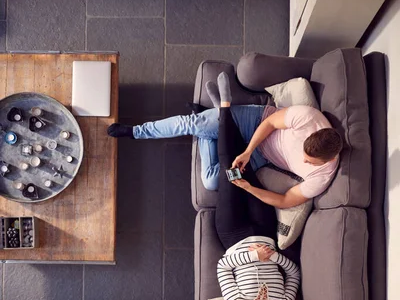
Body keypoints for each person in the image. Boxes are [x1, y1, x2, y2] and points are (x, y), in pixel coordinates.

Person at [107, 73, 343, 209]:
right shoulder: (309, 118)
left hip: (263, 158)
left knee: (211, 181)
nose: (303, 161)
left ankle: (217, 116)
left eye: (309, 162)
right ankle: (136, 131)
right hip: (256, 122)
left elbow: (285, 200)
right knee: (192, 124)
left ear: (330, 159)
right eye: (305, 154)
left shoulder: (322, 177)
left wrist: (251, 187)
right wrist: (248, 150)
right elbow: (270, 124)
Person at [212, 78, 300, 300]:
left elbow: (223, 266)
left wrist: (252, 256)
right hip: (263, 230)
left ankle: (225, 108)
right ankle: (223, 116)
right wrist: (273, 256)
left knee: (229, 171)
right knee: (243, 171)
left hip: (234, 233)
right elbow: (293, 273)